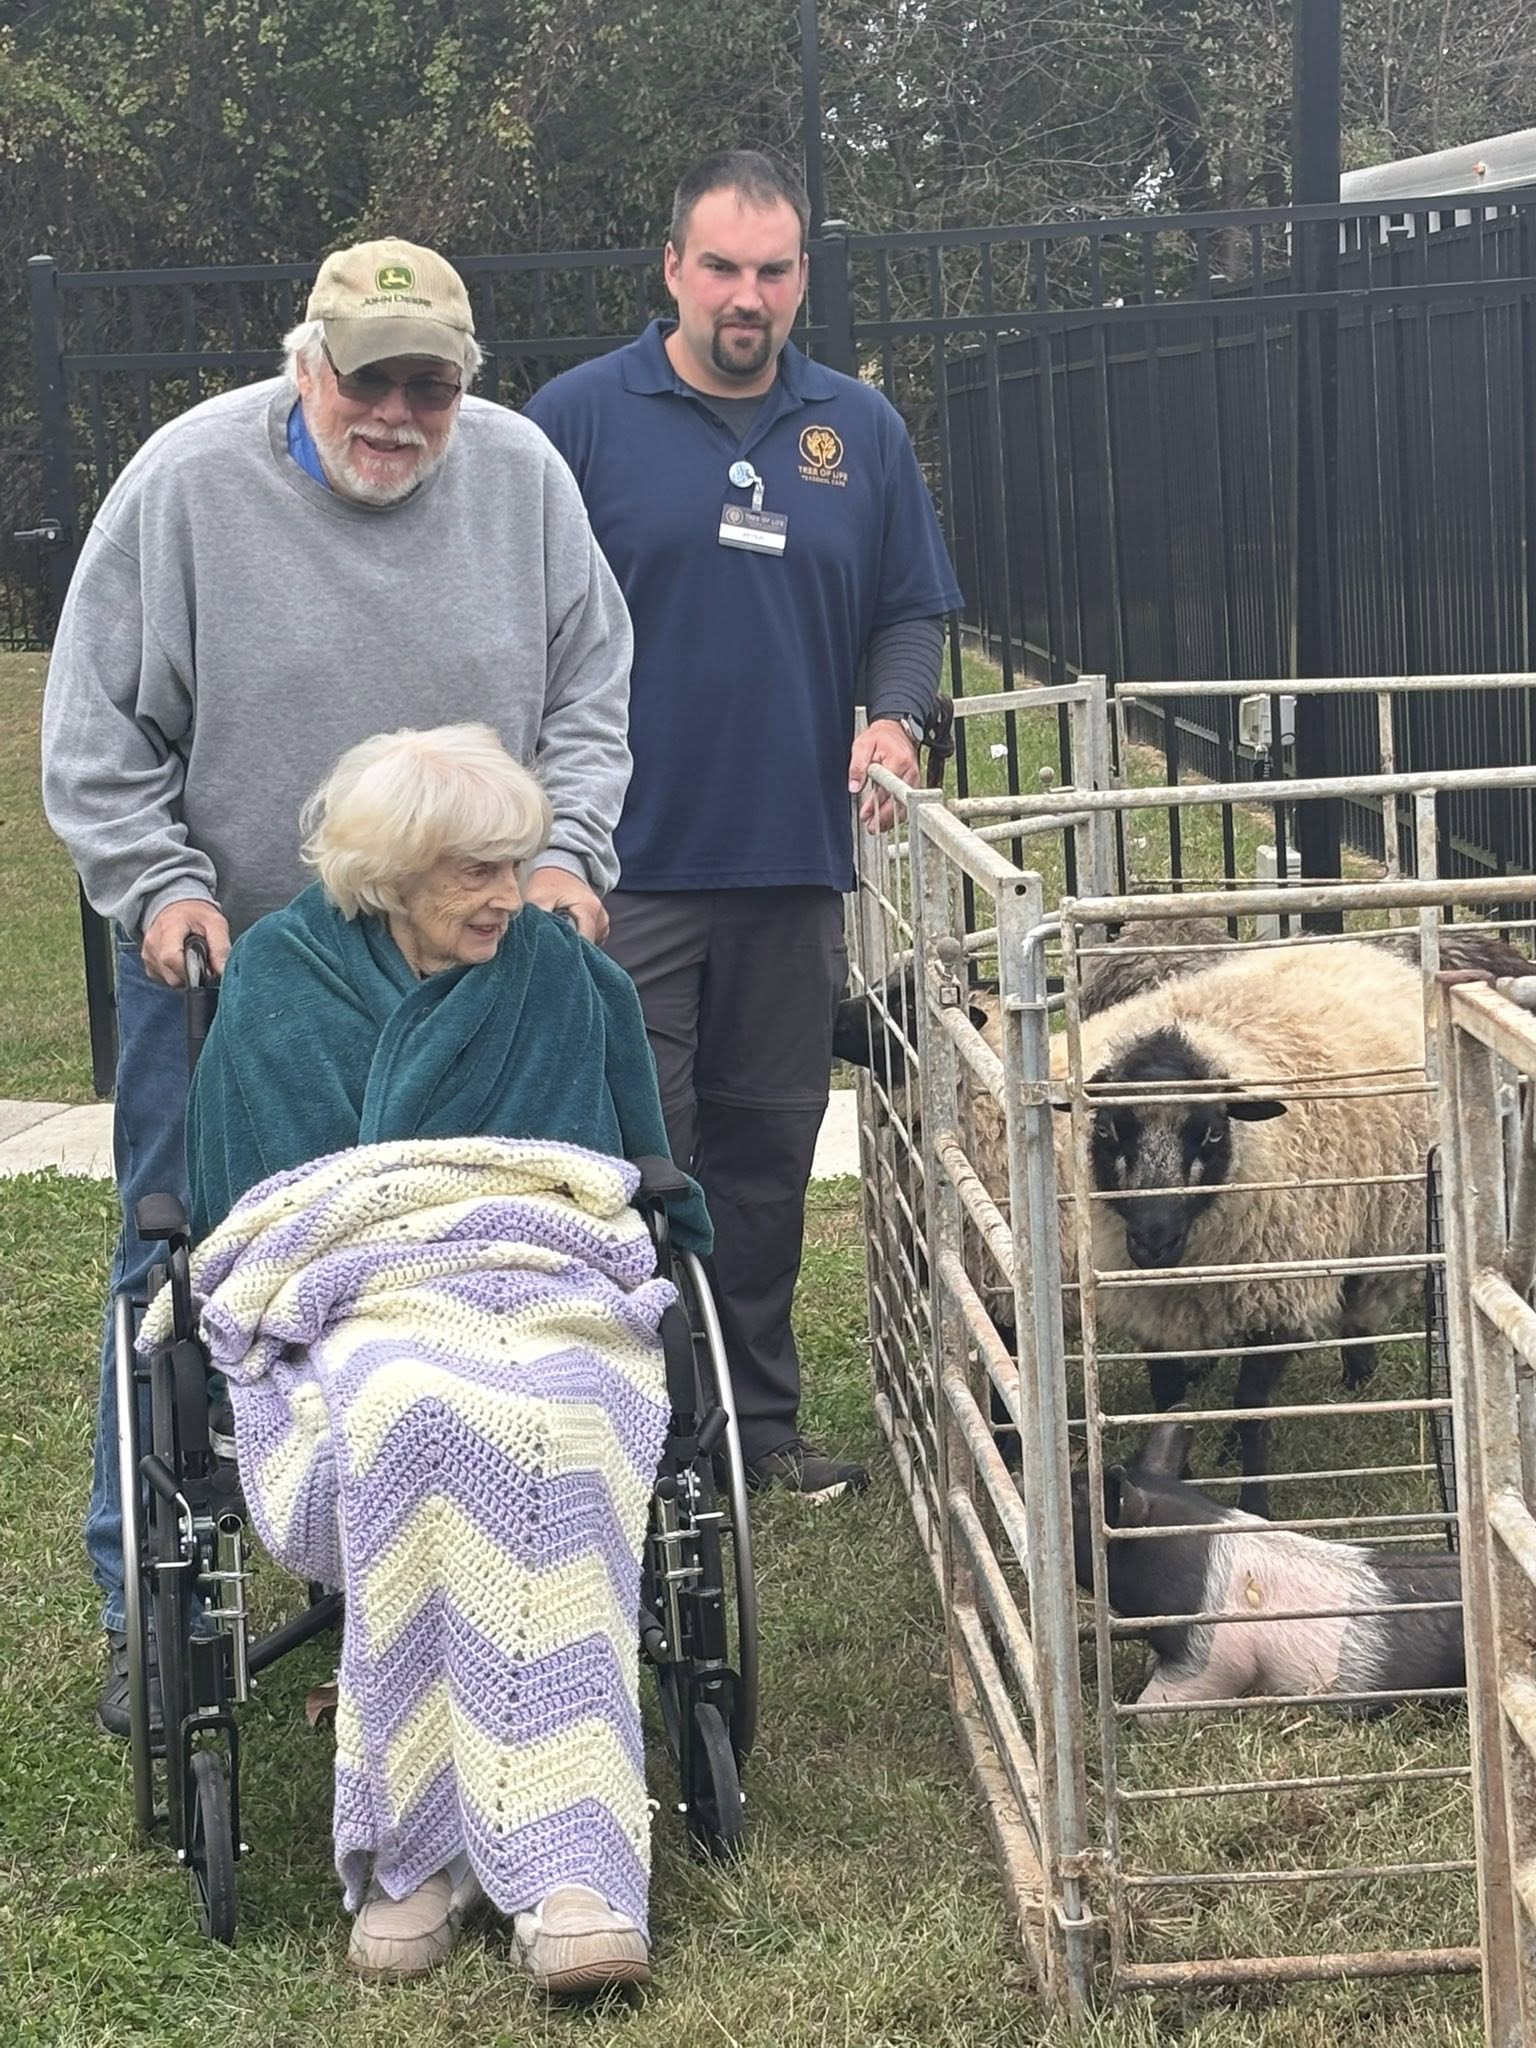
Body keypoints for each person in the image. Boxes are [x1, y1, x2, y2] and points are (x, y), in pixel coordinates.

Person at [41, 236, 635, 1738]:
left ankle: (480, 1536)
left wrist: (564, 852)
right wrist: (162, 890)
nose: (397, 414)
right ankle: (148, 1604)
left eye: (428, 384)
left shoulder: (525, 482)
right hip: (244, 959)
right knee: (177, 1259)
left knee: (480, 1234)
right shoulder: (183, 486)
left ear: (464, 383)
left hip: (477, 939)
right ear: (307, 365)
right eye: (369, 380)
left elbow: (588, 692)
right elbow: (97, 735)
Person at [141, 722, 709, 1986]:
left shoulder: (560, 975)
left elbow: (624, 1174)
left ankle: (571, 1864)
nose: (508, 895)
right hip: (361, 1302)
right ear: (390, 874)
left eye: (515, 863)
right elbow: (257, 1214)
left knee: (564, 1413)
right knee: (405, 1411)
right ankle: (424, 1854)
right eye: (474, 874)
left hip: (542, 1283)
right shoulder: (284, 980)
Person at [525, 151, 963, 1502]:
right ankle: (633, 1428)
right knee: (631, 1160)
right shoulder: (576, 423)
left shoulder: (858, 430)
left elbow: (909, 607)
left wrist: (897, 717)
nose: (746, 296)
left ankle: (754, 1430)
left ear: (801, 281)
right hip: (618, 870)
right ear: (672, 268)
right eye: (721, 266)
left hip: (792, 867)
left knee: (769, 1157)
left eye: (773, 272)